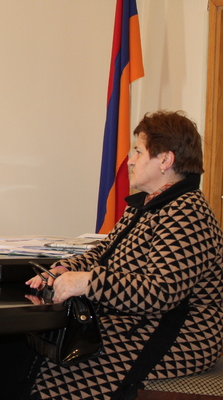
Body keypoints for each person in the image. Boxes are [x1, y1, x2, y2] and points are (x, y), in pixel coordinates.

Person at [24, 110, 223, 400]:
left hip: (180, 335)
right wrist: (64, 269)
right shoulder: (148, 205)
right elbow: (104, 253)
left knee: (69, 368)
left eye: (139, 152)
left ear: (165, 160)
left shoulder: (187, 213)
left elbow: (161, 292)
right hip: (136, 323)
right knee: (41, 354)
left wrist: (87, 282)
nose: (129, 160)